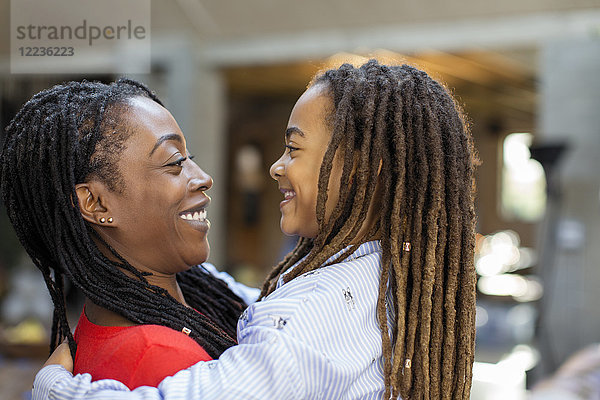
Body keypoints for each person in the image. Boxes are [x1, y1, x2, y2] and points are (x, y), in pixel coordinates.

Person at [32, 60, 477, 399]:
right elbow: (261, 305)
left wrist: (55, 386)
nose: (276, 166)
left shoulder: (320, 316)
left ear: (364, 171)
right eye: (173, 163)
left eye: (293, 148)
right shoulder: (369, 275)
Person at [0, 79, 257, 389]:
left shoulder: (160, 306)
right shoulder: (162, 358)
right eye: (175, 162)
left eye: (192, 158)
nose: (204, 178)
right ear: (96, 203)